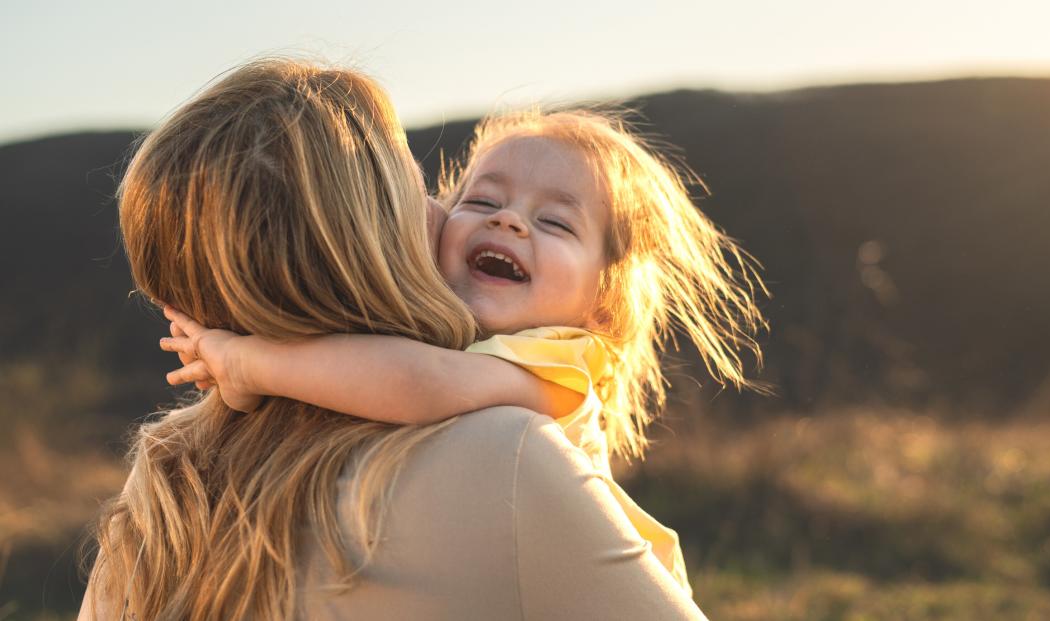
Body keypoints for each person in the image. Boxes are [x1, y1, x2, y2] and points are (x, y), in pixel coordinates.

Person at [80, 58, 710, 620]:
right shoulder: (504, 454)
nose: (505, 220)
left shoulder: (163, 483)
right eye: (471, 198)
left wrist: (249, 361)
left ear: (603, 303)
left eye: (553, 221)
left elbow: (419, 382)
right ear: (369, 240)